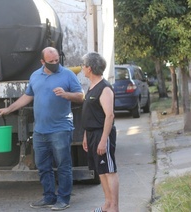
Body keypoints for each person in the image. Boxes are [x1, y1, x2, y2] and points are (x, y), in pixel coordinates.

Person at [0, 47, 84, 211]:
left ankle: (64, 199)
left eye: (57, 60)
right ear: (42, 62)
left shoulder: (68, 75)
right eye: (51, 61)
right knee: (43, 166)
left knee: (63, 165)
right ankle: (49, 197)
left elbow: (81, 96)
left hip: (61, 129)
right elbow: (27, 96)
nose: (55, 63)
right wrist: (9, 109)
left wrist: (67, 94)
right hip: (40, 131)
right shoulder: (35, 76)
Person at [81, 52, 119, 212]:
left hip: (102, 134)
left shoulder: (104, 88)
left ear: (89, 68)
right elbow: (90, 113)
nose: (82, 68)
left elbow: (109, 115)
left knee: (109, 171)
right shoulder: (91, 87)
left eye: (83, 66)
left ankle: (114, 207)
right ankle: (107, 204)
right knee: (101, 171)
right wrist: (85, 135)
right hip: (91, 134)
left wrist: (104, 140)